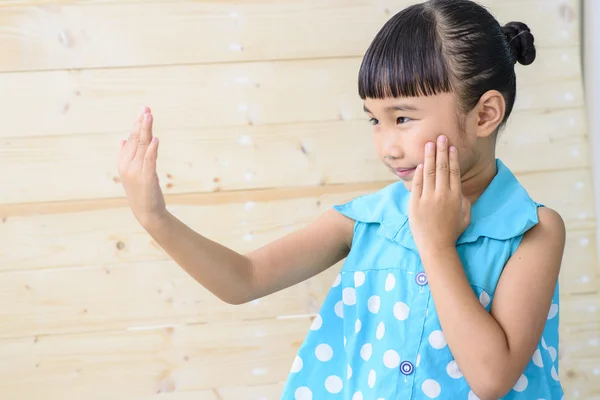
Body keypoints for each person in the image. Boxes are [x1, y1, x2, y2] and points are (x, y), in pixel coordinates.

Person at [117, 0, 567, 398]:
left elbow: (492, 378)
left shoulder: (533, 231)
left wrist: (434, 242)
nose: (387, 146)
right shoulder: (367, 220)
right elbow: (244, 278)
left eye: (403, 117)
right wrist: (156, 218)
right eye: (374, 120)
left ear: (485, 114)